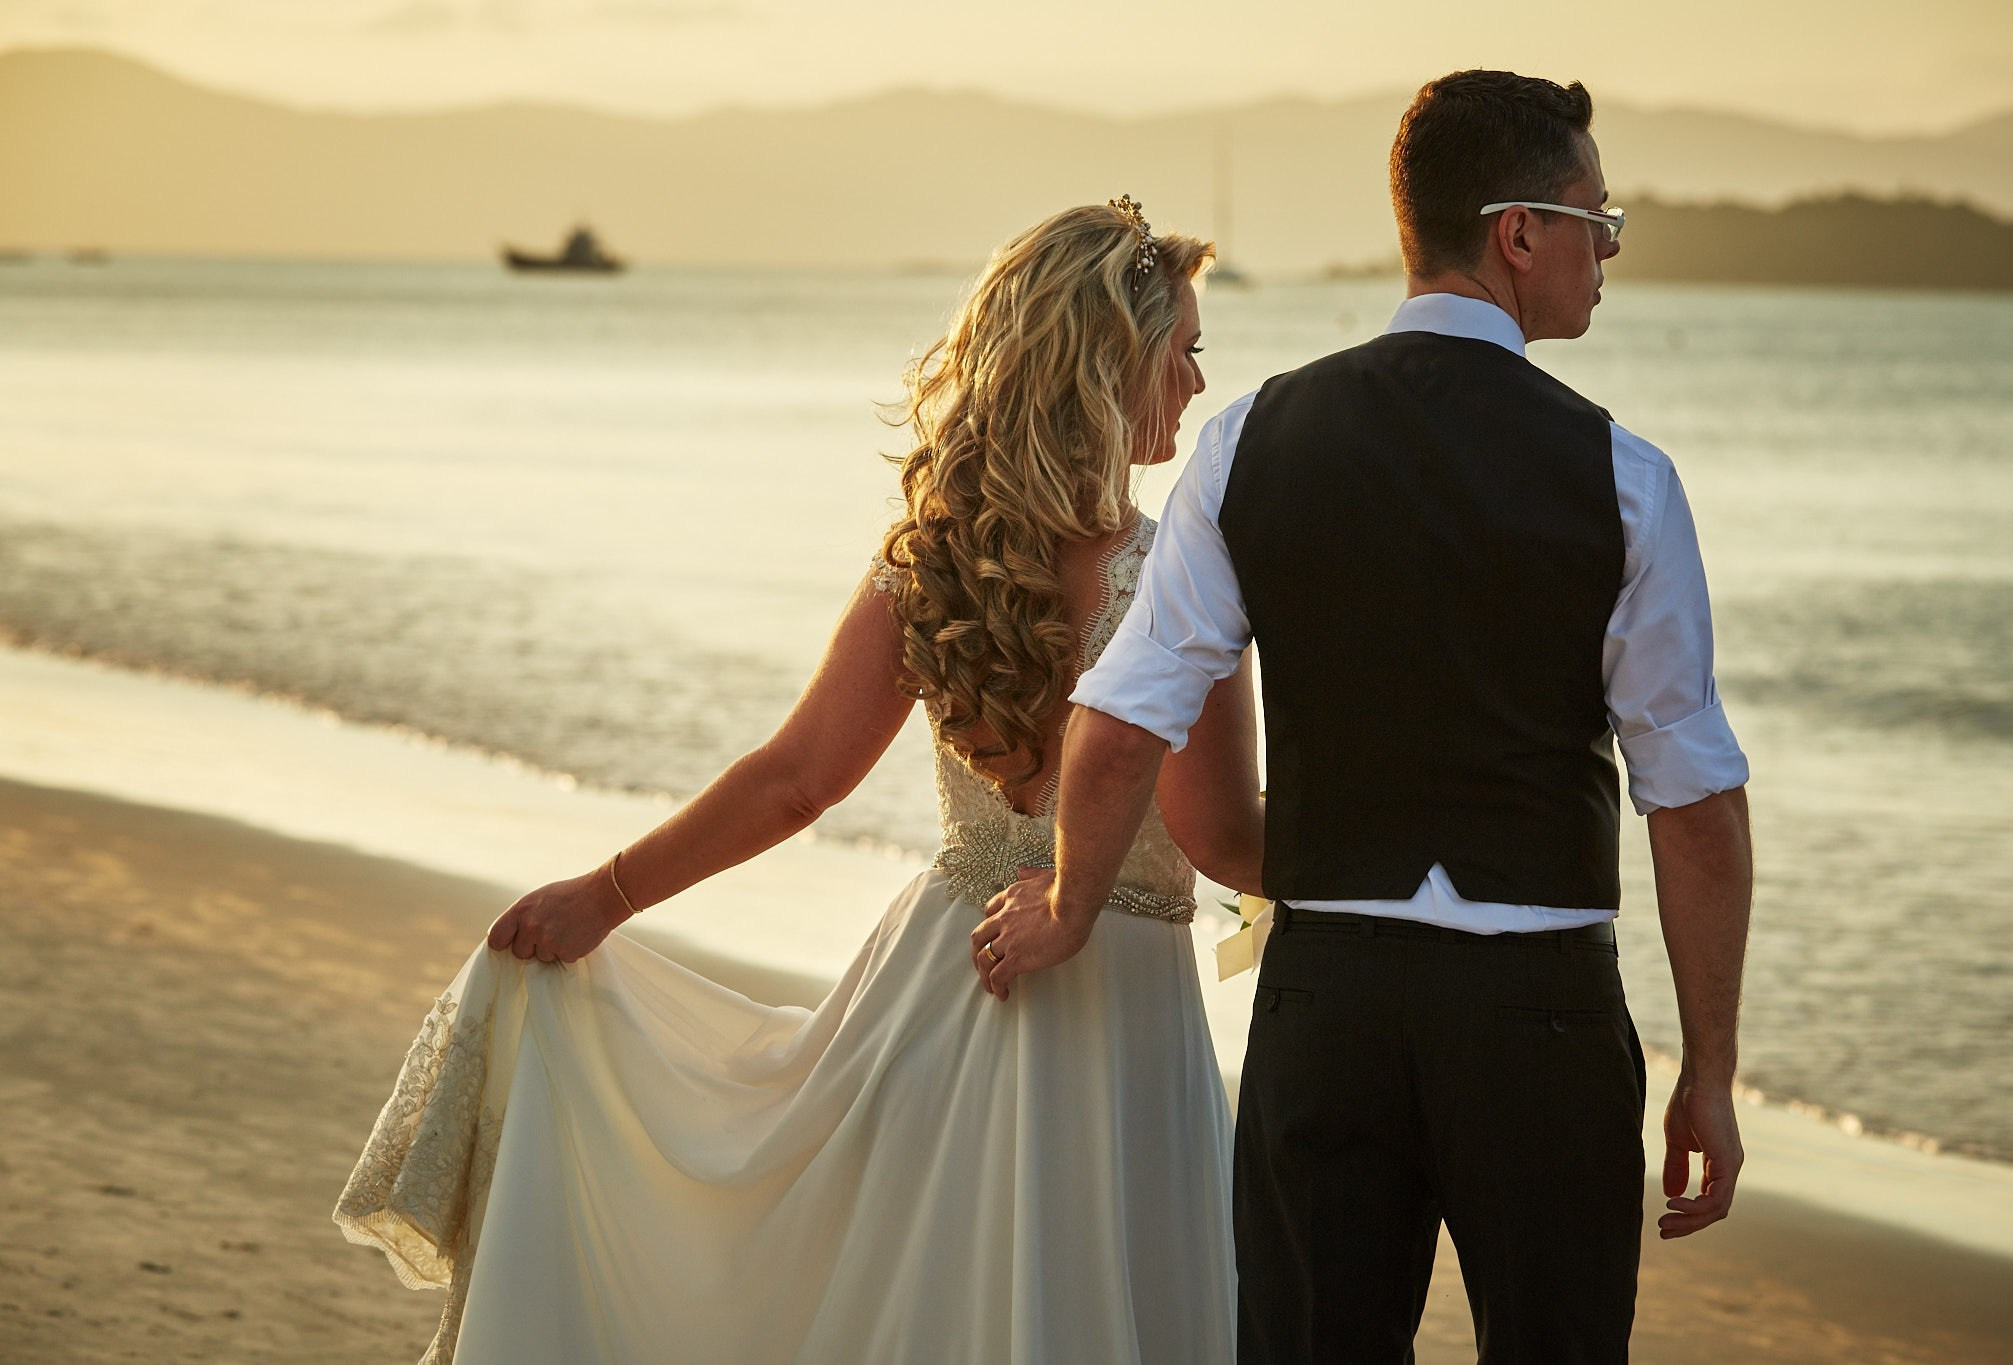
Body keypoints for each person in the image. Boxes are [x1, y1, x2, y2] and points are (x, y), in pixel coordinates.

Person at [334, 200, 1262, 1364]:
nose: (1192, 377)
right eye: (1179, 348)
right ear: (1109, 366)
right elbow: (1222, 840)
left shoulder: (934, 557)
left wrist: (606, 894)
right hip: (1112, 1011)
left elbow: (794, 780)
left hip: (934, 989)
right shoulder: (1176, 583)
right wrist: (1408, 828)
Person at [975, 71, 1755, 1363]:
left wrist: (1066, 909)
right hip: (1539, 1019)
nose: (1606, 251)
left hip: (1328, 1008)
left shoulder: (1253, 440)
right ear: (1517, 232)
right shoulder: (1626, 478)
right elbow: (1696, 804)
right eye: (1594, 220)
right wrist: (1710, 1071)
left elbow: (1122, 725)